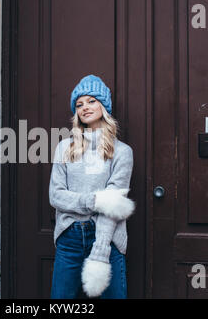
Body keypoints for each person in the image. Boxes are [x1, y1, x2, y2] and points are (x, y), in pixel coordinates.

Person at [49, 74, 135, 299]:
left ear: (104, 105)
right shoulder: (64, 148)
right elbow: (56, 196)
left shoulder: (122, 152)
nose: (85, 107)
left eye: (91, 101)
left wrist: (101, 248)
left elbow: (114, 204)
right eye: (79, 104)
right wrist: (95, 201)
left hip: (108, 239)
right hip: (70, 239)